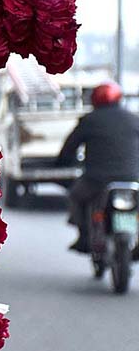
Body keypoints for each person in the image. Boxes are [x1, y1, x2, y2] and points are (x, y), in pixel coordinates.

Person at [57, 81, 139, 253]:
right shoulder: (133, 119)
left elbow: (70, 146)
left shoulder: (89, 120)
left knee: (75, 196)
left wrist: (63, 161)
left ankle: (84, 237)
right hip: (132, 178)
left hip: (97, 180)